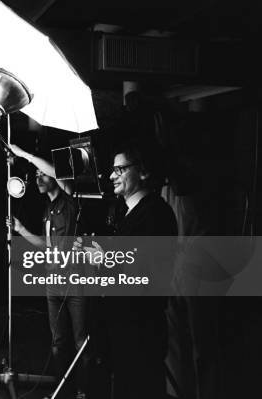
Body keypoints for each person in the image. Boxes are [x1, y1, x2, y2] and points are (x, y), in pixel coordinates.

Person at [78, 140, 177, 399]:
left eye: (120, 170)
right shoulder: (130, 213)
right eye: (113, 170)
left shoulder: (156, 215)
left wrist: (105, 260)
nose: (112, 176)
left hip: (140, 333)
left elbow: (147, 274)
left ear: (142, 172)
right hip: (123, 332)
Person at [9, 145, 88, 399]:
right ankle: (62, 392)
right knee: (57, 345)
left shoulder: (68, 199)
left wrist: (24, 155)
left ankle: (83, 393)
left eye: (42, 175)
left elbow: (57, 174)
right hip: (52, 282)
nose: (38, 179)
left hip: (74, 284)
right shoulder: (47, 210)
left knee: (80, 342)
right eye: (36, 176)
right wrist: (20, 230)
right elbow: (46, 245)